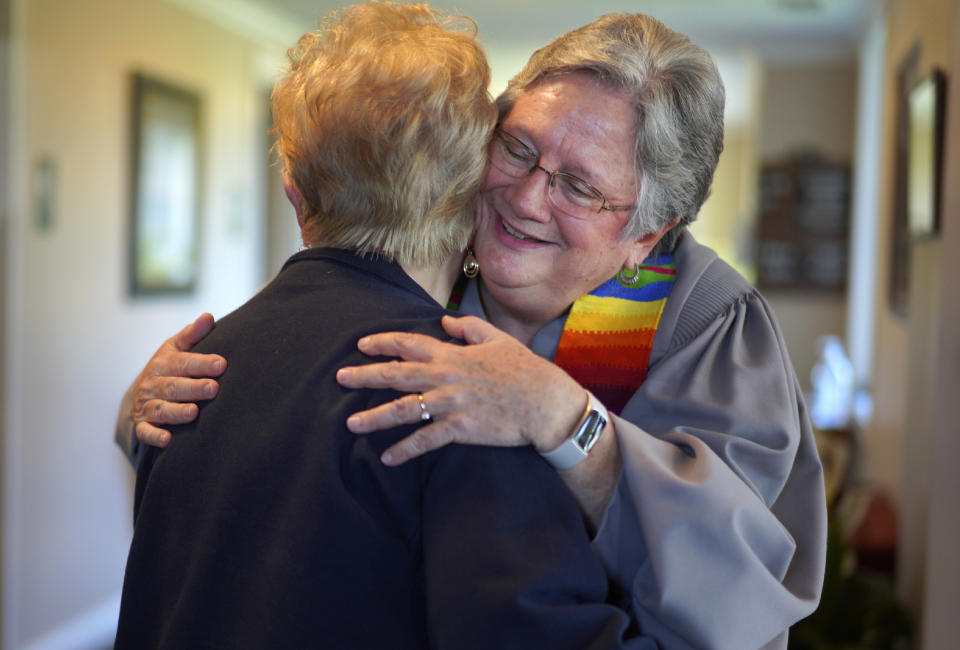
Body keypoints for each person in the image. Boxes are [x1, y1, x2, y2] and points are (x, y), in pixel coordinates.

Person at [117, 10, 827, 650]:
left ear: (648, 234)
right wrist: (145, 411)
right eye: (518, 148)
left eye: (578, 186)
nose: (523, 199)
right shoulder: (421, 261)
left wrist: (569, 425)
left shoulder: (708, 324)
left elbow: (740, 593)